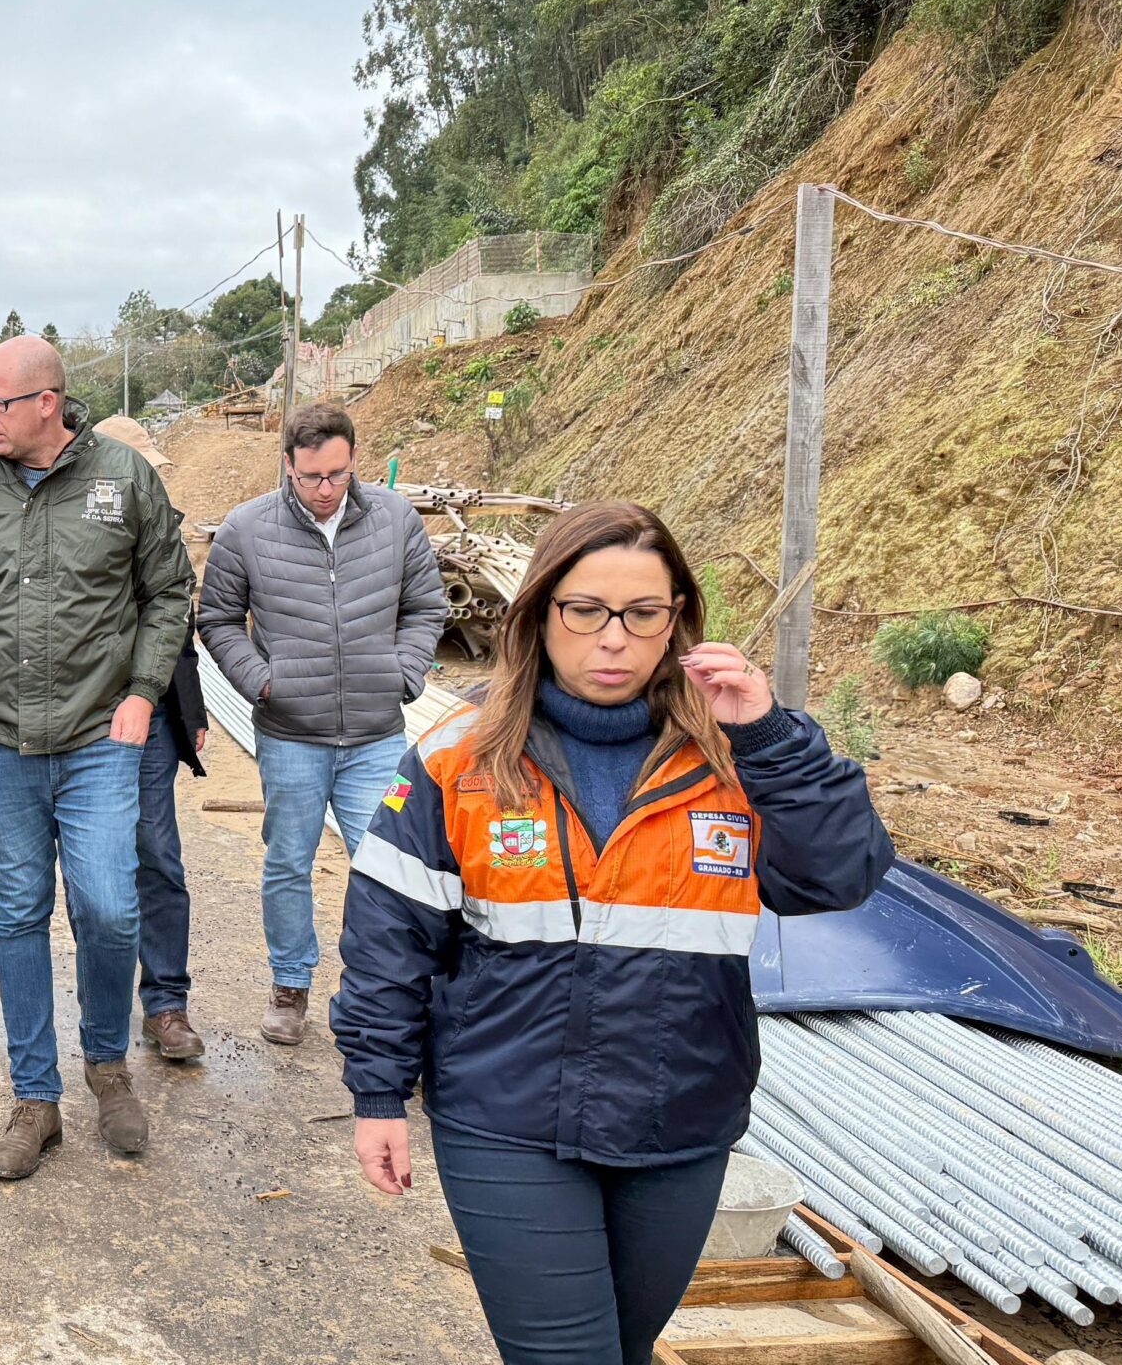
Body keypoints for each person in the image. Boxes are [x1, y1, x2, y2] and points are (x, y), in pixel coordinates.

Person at [330, 501, 891, 1365]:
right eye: (585, 610)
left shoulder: (737, 755)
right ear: (540, 613)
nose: (614, 639)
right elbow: (389, 936)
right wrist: (377, 1092)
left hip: (681, 1119)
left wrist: (772, 736)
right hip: (507, 1117)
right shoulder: (459, 757)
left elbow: (835, 878)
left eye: (642, 614)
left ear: (677, 624)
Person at [0, 335, 194, 1181]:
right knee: (19, 910)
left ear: (47, 403)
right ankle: (36, 1097)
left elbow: (168, 591)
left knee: (109, 907)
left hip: (101, 738)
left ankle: (107, 1066)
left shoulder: (125, 480)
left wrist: (143, 693)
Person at [197, 404, 445, 1048]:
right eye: (311, 478)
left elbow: (426, 606)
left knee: (390, 866)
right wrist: (262, 681)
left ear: (355, 459)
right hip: (290, 736)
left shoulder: (395, 519)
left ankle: (382, 994)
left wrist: (405, 673)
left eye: (337, 474)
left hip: (376, 735)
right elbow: (218, 619)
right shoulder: (247, 528)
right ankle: (290, 985)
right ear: (288, 464)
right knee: (288, 863)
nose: (326, 489)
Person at [135, 615, 211, 1061]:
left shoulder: (163, 545)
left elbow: (180, 631)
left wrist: (192, 709)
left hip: (155, 715)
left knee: (159, 854)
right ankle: (99, 1004)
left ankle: (166, 1003)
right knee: (93, 865)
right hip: (80, 713)